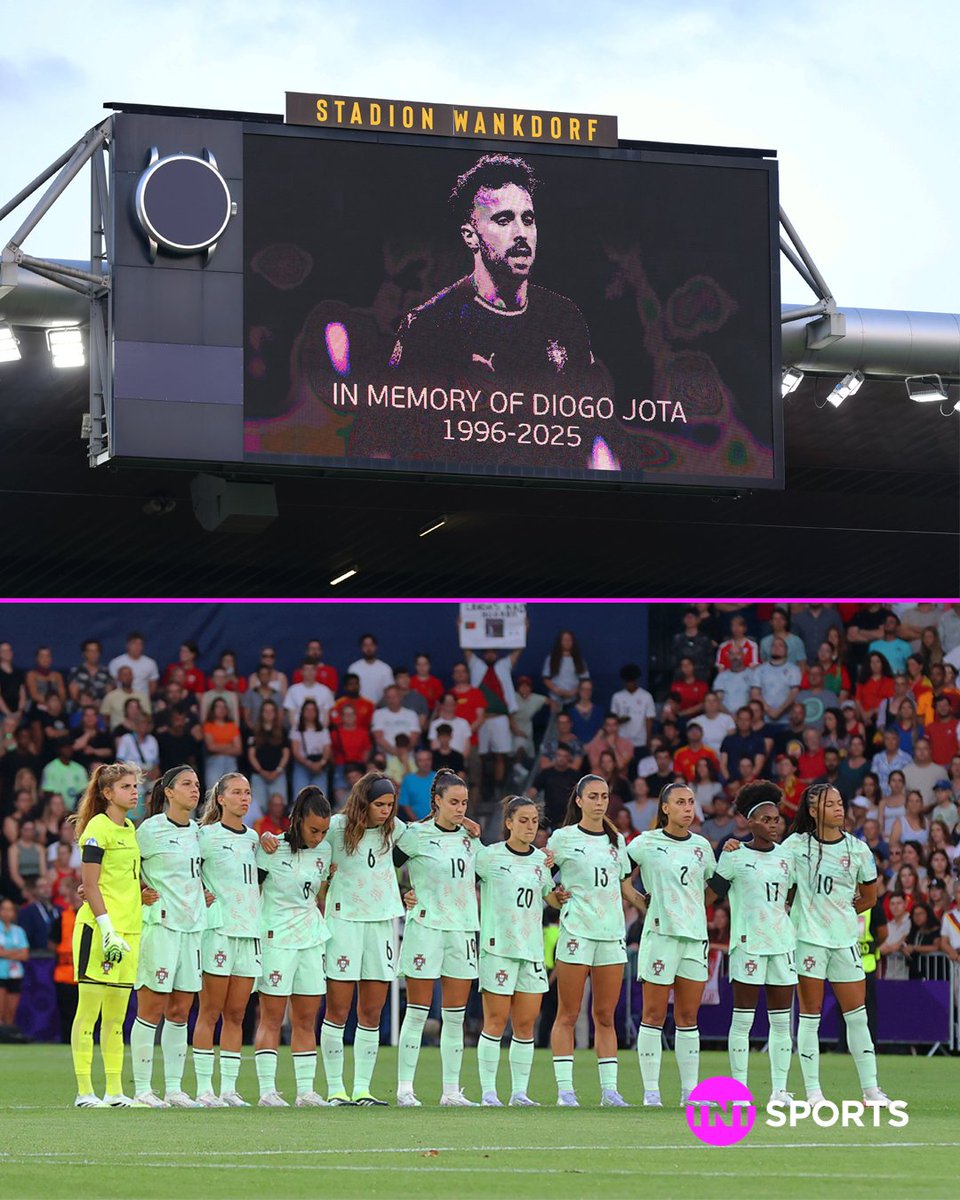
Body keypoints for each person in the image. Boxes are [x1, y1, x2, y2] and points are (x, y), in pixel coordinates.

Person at [389, 154, 598, 388]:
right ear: (470, 237)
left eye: (528, 219)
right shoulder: (429, 327)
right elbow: (398, 422)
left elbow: (590, 418)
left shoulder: (565, 318)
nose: (521, 232)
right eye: (504, 220)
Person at [784, 783, 891, 1106]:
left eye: (840, 803)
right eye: (830, 804)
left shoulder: (858, 850)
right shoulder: (795, 846)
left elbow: (869, 897)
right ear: (813, 810)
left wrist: (840, 913)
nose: (839, 809)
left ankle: (871, 1090)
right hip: (808, 941)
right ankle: (814, 1092)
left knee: (857, 1016)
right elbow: (785, 890)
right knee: (810, 1015)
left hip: (845, 941)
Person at [547, 774, 644, 1107]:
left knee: (605, 1014)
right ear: (579, 800)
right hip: (577, 933)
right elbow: (541, 875)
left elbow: (624, 886)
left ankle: (610, 1091)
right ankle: (565, 1090)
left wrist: (650, 908)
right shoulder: (562, 838)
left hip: (611, 934)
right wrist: (553, 897)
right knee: (569, 1013)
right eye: (593, 796)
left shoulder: (617, 840)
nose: (600, 801)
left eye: (604, 796)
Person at [392, 769, 482, 1106]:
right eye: (454, 802)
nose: (460, 808)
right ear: (437, 802)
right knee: (417, 1011)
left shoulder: (470, 838)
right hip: (426, 929)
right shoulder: (415, 835)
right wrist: (403, 892)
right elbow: (386, 868)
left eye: (464, 803)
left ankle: (450, 1092)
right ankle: (405, 1089)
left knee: (455, 1015)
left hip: (461, 930)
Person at [315, 773, 405, 1105]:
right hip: (344, 922)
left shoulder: (395, 830)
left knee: (372, 1009)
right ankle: (336, 1088)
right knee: (338, 1008)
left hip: (381, 923)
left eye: (390, 804)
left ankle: (362, 1088)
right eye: (380, 804)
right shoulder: (336, 828)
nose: (385, 810)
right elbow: (303, 844)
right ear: (362, 802)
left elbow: (432, 838)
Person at [708, 780, 797, 1105]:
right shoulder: (733, 856)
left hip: (782, 945)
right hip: (747, 945)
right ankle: (739, 1091)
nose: (774, 825)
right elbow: (710, 894)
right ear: (750, 822)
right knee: (743, 1019)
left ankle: (779, 1091)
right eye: (767, 820)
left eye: (777, 820)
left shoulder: (787, 857)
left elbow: (791, 895)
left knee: (781, 1022)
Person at [475, 796, 567, 1106]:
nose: (530, 827)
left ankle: (519, 1093)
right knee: (495, 1022)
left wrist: (559, 896)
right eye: (523, 820)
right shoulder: (488, 857)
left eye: (534, 821)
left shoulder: (541, 861)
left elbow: (548, 899)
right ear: (509, 823)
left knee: (526, 1024)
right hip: (498, 948)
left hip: (531, 951)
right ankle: (489, 1092)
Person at [627, 781, 715, 1107]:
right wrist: (640, 903)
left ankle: (690, 1093)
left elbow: (712, 886)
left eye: (691, 802)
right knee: (652, 1014)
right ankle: (651, 1092)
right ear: (665, 808)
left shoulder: (702, 847)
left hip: (694, 938)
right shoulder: (645, 843)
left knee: (688, 1016)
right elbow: (621, 873)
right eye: (680, 802)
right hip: (661, 936)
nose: (688, 808)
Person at [130, 766, 207, 1108]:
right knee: (151, 1007)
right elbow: (123, 868)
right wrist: (138, 890)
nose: (195, 789)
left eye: (197, 784)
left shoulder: (198, 831)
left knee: (180, 1009)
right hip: (161, 926)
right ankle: (143, 1089)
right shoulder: (149, 830)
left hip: (193, 928)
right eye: (187, 784)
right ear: (169, 792)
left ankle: (174, 1088)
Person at [68, 762, 143, 1107]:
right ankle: (85, 1090)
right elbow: (89, 885)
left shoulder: (129, 828)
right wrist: (107, 928)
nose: (134, 792)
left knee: (116, 1016)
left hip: (130, 931)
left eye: (135, 786)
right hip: (100, 931)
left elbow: (122, 880)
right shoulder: (98, 828)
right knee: (89, 1011)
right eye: (127, 787)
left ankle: (114, 1090)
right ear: (107, 793)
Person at [253, 786, 332, 1107]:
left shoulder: (325, 852)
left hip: (312, 939)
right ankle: (267, 1091)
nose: (318, 837)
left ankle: (305, 1091)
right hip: (276, 940)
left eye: (324, 831)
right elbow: (248, 888)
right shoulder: (271, 848)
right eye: (314, 830)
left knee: (305, 1019)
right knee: (271, 1017)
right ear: (298, 820)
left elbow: (321, 890)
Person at [193, 773, 262, 1107]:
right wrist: (199, 892)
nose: (244, 798)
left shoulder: (254, 839)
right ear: (220, 798)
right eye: (237, 792)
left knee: (236, 1013)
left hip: (249, 931)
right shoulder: (204, 836)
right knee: (210, 1010)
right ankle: (205, 1088)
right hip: (219, 931)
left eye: (248, 792)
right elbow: (182, 869)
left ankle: (229, 1090)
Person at [246, 699, 290, 822]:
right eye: (266, 711)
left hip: (278, 775)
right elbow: (251, 754)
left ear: (276, 713)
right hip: (258, 775)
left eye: (272, 711)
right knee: (258, 808)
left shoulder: (282, 731)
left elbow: (286, 753)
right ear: (261, 713)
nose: (269, 713)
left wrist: (278, 770)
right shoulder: (254, 731)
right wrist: (261, 771)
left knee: (278, 807)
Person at [610, 664, 655, 767]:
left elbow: (649, 719)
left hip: (640, 741)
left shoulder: (646, 696)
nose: (630, 684)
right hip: (622, 740)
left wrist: (648, 739)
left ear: (636, 680)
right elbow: (612, 720)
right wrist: (621, 720)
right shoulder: (617, 697)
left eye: (632, 681)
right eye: (627, 681)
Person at [289, 698, 331, 798]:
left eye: (313, 710)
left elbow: (327, 748)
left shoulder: (323, 730)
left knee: (320, 797)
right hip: (302, 765)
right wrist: (308, 763)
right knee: (300, 797)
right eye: (307, 710)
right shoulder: (297, 729)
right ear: (302, 712)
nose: (310, 713)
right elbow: (295, 751)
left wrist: (322, 762)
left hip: (319, 763)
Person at [0, 895, 29, 1028]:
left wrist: (5, 953)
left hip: (15, 973)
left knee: (11, 1010)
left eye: (10, 909)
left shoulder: (18, 931)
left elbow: (24, 955)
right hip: (1, 973)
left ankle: (8, 1034)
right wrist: (15, 952)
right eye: (4, 909)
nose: (7, 913)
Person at [202, 698, 242, 791]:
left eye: (224, 707)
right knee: (213, 791)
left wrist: (219, 747)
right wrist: (229, 745)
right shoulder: (208, 725)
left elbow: (238, 749)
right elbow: (211, 747)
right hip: (214, 761)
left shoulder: (232, 726)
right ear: (213, 709)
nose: (221, 709)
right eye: (218, 707)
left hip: (230, 760)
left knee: (232, 790)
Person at [108, 632, 159, 698]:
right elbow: (112, 684)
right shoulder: (116, 662)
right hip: (121, 699)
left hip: (142, 699)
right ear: (127, 645)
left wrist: (145, 699)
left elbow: (153, 685)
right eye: (134, 643)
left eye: (140, 644)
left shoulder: (150, 663)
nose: (137, 647)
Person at [348, 634, 394, 705]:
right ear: (361, 648)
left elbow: (389, 691)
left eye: (371, 645)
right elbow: (350, 691)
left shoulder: (385, 668)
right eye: (365, 645)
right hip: (358, 708)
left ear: (376, 647)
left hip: (380, 709)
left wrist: (379, 706)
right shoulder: (354, 668)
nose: (368, 648)